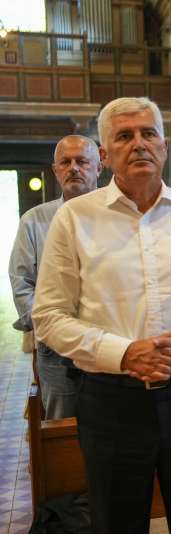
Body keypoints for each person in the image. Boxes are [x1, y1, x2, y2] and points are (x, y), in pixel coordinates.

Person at [31, 97, 171, 534]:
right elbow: (50, 316)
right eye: (124, 136)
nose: (139, 144)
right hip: (111, 400)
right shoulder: (75, 218)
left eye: (148, 133)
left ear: (165, 146)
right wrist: (124, 353)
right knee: (118, 522)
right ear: (105, 153)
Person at [9, 134, 102, 419]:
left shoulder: (118, 217)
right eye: (65, 162)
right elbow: (22, 281)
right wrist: (49, 328)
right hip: (58, 350)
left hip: (109, 341)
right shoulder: (34, 220)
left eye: (82, 161)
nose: (74, 168)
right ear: (55, 170)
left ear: (99, 167)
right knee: (63, 424)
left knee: (112, 424)